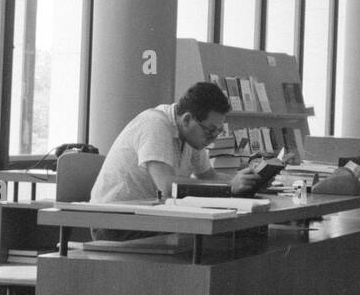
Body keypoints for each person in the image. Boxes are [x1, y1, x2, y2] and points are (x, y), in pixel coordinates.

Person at [89, 83, 262, 236]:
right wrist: (229, 187)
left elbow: (208, 177)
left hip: (147, 215)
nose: (213, 138)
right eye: (210, 131)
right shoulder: (155, 124)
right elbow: (167, 186)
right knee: (213, 236)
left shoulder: (191, 136)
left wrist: (247, 180)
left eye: (218, 132)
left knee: (234, 232)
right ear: (187, 119)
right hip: (114, 222)